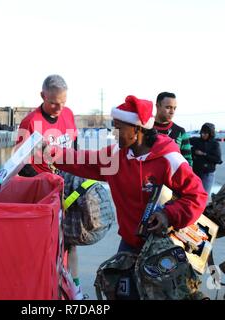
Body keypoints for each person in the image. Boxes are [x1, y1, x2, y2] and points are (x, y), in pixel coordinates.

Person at [45, 95, 207, 254]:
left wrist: (168, 214)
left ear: (137, 129)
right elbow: (83, 160)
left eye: (118, 128)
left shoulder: (168, 159)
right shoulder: (116, 155)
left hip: (163, 246)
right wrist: (48, 152)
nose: (114, 134)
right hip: (130, 242)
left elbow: (197, 196)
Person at [16, 74, 84, 299]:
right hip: (44, 192)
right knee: (45, 244)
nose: (59, 107)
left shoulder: (69, 115)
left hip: (67, 188)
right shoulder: (30, 122)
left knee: (71, 241)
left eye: (63, 102)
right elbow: (21, 164)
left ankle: (75, 289)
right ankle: (44, 288)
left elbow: (74, 149)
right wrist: (46, 180)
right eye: (54, 102)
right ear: (42, 96)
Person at [154, 92, 193, 166]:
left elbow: (187, 160)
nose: (172, 112)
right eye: (168, 107)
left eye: (174, 108)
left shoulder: (180, 132)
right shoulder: (144, 129)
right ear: (157, 106)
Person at [190, 122, 223, 196]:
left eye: (206, 133)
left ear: (211, 134)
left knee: (203, 196)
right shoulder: (196, 140)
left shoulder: (214, 144)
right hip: (195, 172)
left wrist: (203, 154)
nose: (203, 135)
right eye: (202, 133)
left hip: (208, 174)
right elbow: (184, 140)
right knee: (193, 195)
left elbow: (218, 159)